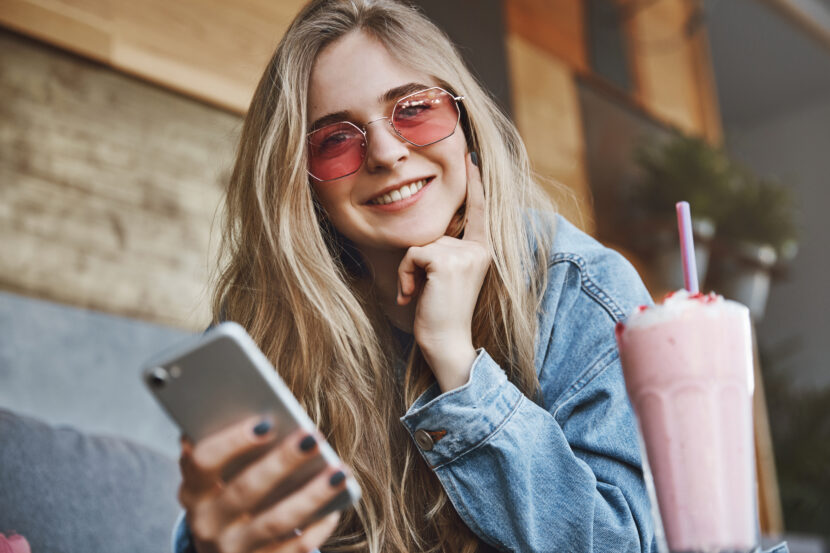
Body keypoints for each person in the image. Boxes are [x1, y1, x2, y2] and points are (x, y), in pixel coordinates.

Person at [173, 1, 658, 552]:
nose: (385, 152)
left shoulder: (578, 287)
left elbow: (623, 545)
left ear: (466, 125)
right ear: (302, 183)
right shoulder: (263, 323)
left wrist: (457, 361)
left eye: (414, 110)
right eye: (335, 140)